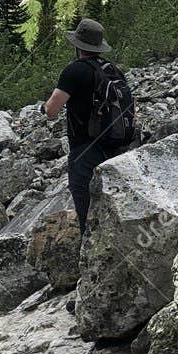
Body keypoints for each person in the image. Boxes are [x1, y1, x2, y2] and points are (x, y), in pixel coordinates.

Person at [43, 17, 135, 231]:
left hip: (85, 150)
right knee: (115, 208)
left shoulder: (73, 71)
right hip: (117, 148)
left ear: (77, 45)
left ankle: (89, 257)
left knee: (86, 209)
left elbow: (51, 110)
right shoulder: (113, 69)